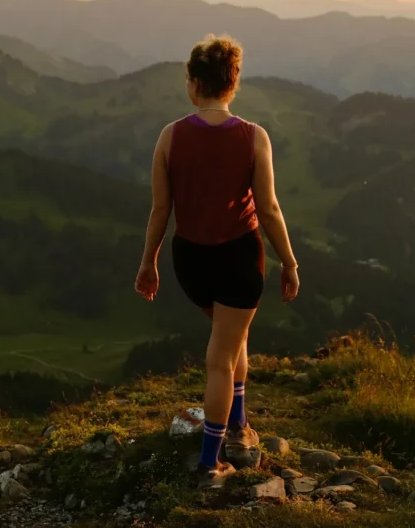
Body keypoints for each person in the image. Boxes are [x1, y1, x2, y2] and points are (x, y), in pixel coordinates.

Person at [134, 34, 300, 489]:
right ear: (233, 83)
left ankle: (240, 424)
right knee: (222, 357)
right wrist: (289, 262)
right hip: (238, 258)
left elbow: (160, 210)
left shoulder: (170, 136)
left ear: (194, 84)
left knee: (231, 338)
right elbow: (268, 209)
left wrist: (148, 263)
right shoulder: (253, 136)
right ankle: (212, 463)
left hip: (190, 260)